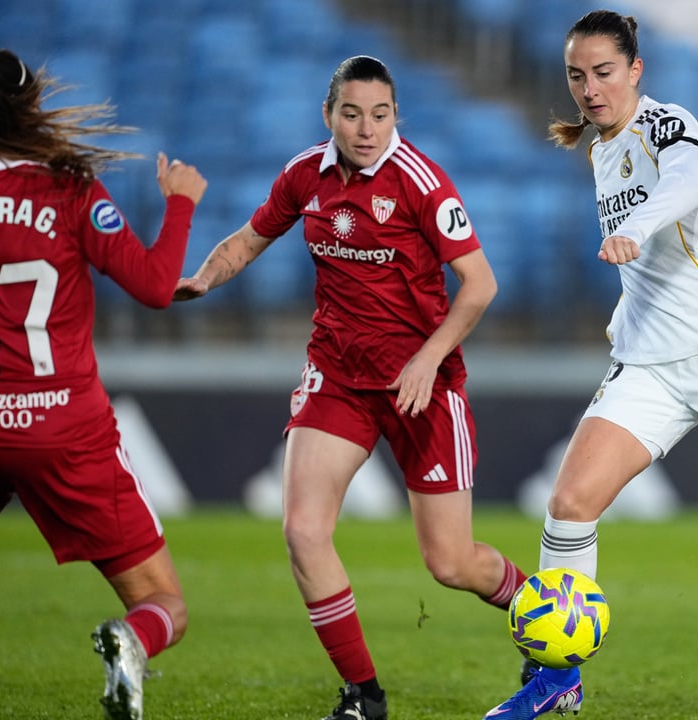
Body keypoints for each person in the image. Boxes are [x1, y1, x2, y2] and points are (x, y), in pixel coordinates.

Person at [482, 10, 698, 720]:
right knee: (570, 507)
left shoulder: (667, 122)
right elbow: (693, 209)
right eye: (577, 75)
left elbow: (686, 178)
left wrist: (648, 222)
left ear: (636, 70)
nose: (590, 88)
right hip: (651, 362)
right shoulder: (602, 148)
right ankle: (559, 676)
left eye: (604, 72)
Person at [172, 55, 528, 720]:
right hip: (338, 374)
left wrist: (426, 359)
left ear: (397, 115)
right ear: (329, 116)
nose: (367, 128)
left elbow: (481, 285)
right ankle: (364, 695)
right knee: (304, 530)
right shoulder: (304, 174)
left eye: (381, 114)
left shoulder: (423, 182)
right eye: (353, 113)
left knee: (450, 564)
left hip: (423, 381)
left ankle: (540, 609)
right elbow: (251, 239)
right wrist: (202, 277)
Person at [0, 49, 207, 720]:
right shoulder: (68, 191)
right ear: (28, 102)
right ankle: (131, 641)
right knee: (165, 605)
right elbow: (154, 287)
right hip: (64, 430)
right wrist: (179, 205)